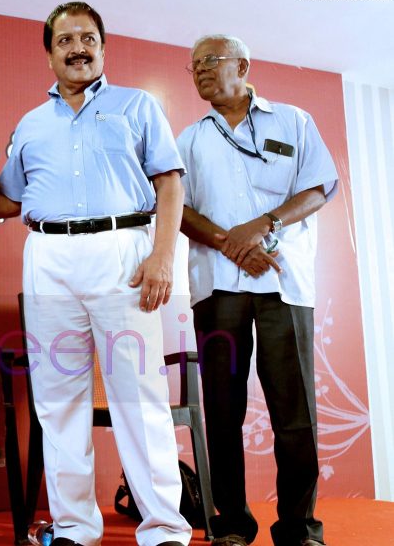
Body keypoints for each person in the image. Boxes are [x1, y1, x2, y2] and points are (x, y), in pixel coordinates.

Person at [0, 1, 192, 546]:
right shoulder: (30, 124)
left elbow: (170, 184)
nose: (77, 48)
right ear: (50, 52)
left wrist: (162, 256)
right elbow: (6, 201)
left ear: (103, 47)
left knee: (138, 395)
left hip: (123, 255)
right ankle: (75, 528)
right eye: (65, 40)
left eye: (87, 38)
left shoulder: (138, 105)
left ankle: (164, 529)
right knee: (57, 400)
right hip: (49, 259)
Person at [177, 34, 338, 546]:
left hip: (283, 284)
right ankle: (232, 525)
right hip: (217, 288)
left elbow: (317, 187)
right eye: (194, 65)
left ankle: (299, 526)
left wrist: (265, 223)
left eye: (211, 61)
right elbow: (176, 210)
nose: (201, 70)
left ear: (242, 65)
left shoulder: (293, 120)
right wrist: (232, 242)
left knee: (295, 412)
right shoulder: (189, 139)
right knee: (222, 410)